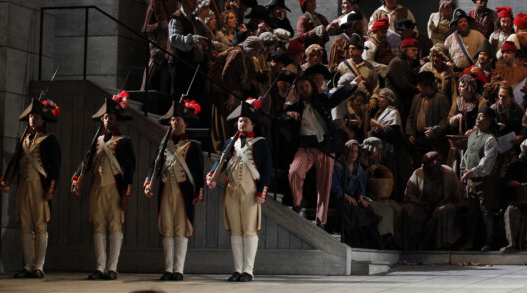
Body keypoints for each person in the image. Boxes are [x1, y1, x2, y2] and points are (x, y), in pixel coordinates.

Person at [71, 93, 136, 280]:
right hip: (97, 189)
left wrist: (125, 194)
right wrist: (76, 177)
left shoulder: (124, 142)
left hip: (115, 189)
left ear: (117, 120)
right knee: (99, 228)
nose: (108, 120)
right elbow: (86, 162)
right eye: (106, 117)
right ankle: (99, 267)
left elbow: (129, 170)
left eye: (111, 117)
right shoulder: (97, 142)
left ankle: (112, 268)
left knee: (115, 228)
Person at [206, 99, 272, 282]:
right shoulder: (230, 142)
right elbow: (221, 161)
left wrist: (262, 193)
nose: (242, 124)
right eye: (240, 120)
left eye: (245, 121)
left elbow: (266, 170)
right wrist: (212, 175)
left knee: (249, 231)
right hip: (232, 190)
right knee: (235, 231)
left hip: (251, 191)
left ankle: (248, 271)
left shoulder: (261, 143)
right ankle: (237, 269)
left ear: (252, 124)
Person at [286, 71, 364, 226]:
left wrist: (351, 86)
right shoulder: (296, 106)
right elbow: (280, 118)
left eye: (306, 86)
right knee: (294, 172)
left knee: (324, 185)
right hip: (306, 147)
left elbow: (336, 97)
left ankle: (321, 219)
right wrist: (288, 113)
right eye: (301, 88)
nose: (305, 90)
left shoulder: (322, 99)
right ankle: (297, 202)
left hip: (325, 147)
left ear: (312, 87)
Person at [143, 99, 205, 281]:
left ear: (185, 123)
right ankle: (168, 269)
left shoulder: (193, 147)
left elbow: (198, 173)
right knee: (167, 229)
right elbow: (154, 166)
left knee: (180, 229)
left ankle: (178, 270)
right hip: (165, 190)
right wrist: (148, 182)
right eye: (172, 120)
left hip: (183, 192)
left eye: (177, 119)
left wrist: (198, 193)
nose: (174, 122)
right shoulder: (164, 145)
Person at [0, 99, 61, 279]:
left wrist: (50, 189)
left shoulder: (50, 140)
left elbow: (55, 167)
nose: (33, 119)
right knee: (26, 227)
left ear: (43, 120)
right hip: (24, 187)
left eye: (36, 116)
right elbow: (15, 161)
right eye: (31, 116)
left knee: (40, 226)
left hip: (39, 187)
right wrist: (6, 179)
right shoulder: (25, 139)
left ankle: (38, 266)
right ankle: (27, 265)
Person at [142, 0, 194, 92]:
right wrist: (162, 20)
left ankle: (161, 92)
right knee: (157, 56)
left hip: (168, 28)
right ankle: (143, 91)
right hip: (159, 27)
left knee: (167, 58)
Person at [402, 151, 463, 250]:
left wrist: (442, 205)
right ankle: (414, 244)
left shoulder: (449, 173)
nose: (433, 172)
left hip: (442, 205)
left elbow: (456, 196)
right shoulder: (418, 174)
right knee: (408, 209)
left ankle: (442, 245)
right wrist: (421, 203)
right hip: (423, 206)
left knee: (444, 210)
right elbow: (409, 195)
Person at [460, 106, 500, 252]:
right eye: (478, 115)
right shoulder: (472, 135)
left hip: (485, 179)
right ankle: (471, 241)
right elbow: (467, 155)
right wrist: (464, 171)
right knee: (472, 212)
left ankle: (490, 241)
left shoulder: (490, 139)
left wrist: (473, 171)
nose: (478, 117)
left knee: (486, 211)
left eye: (482, 116)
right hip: (471, 179)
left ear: (489, 121)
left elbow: (487, 161)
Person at [330, 140, 381, 248]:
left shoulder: (359, 169)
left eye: (356, 152)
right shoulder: (338, 167)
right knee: (352, 210)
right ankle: (353, 242)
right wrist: (347, 197)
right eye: (351, 151)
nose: (353, 154)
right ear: (346, 152)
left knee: (366, 209)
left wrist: (361, 198)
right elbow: (335, 187)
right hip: (341, 197)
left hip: (354, 197)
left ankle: (368, 243)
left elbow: (361, 186)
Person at [369, 88, 412, 200]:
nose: (379, 99)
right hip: (379, 146)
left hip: (389, 147)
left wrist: (377, 125)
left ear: (389, 100)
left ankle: (391, 196)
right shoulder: (380, 111)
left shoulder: (393, 112)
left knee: (389, 170)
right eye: (379, 97)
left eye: (382, 97)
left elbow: (392, 131)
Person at [168, 0, 211, 99]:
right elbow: (174, 39)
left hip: (194, 62)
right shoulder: (177, 18)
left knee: (194, 95)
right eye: (192, 2)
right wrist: (193, 39)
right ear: (183, 2)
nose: (195, 5)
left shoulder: (194, 19)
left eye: (195, 2)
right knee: (179, 92)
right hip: (180, 62)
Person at [406, 71, 451, 165]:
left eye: (419, 84)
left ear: (426, 86)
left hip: (433, 142)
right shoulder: (417, 98)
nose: (417, 87)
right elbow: (411, 116)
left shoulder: (440, 98)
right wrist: (410, 133)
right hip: (418, 141)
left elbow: (445, 120)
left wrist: (434, 131)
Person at [386, 38, 421, 118]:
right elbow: (403, 85)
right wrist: (418, 89)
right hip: (397, 103)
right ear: (405, 51)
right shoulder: (397, 63)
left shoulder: (407, 63)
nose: (416, 52)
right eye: (413, 50)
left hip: (405, 102)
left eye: (417, 50)